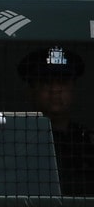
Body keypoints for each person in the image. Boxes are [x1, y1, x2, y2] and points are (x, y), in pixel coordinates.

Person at [18, 46, 94, 196]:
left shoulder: (88, 142)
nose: (55, 90)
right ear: (31, 91)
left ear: (74, 89)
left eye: (63, 82)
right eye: (46, 82)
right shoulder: (19, 141)